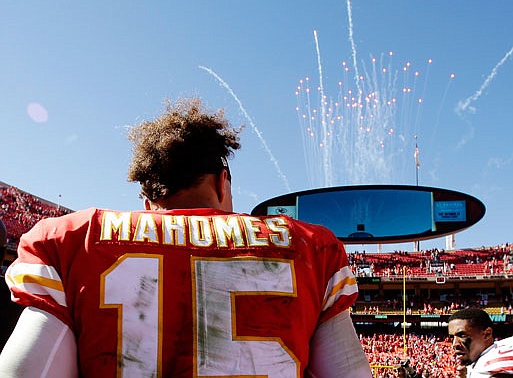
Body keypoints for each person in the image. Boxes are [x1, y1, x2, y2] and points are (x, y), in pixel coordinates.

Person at [0, 98, 372, 377]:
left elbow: (25, 370)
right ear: (221, 181)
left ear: (147, 200)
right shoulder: (311, 244)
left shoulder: (71, 238)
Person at [448, 307, 513, 377]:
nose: (454, 344)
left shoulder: (493, 366)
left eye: (462, 335)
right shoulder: (481, 360)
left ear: (487, 334)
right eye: (452, 337)